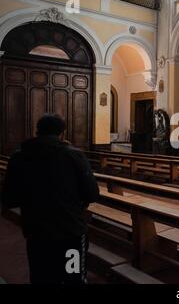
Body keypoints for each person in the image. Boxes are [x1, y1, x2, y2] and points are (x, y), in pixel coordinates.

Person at [1, 114, 99, 284]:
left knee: (41, 278)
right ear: (62, 133)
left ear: (37, 131)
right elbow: (92, 194)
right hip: (71, 233)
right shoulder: (74, 156)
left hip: (37, 233)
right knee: (73, 278)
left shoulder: (19, 157)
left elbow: (9, 198)